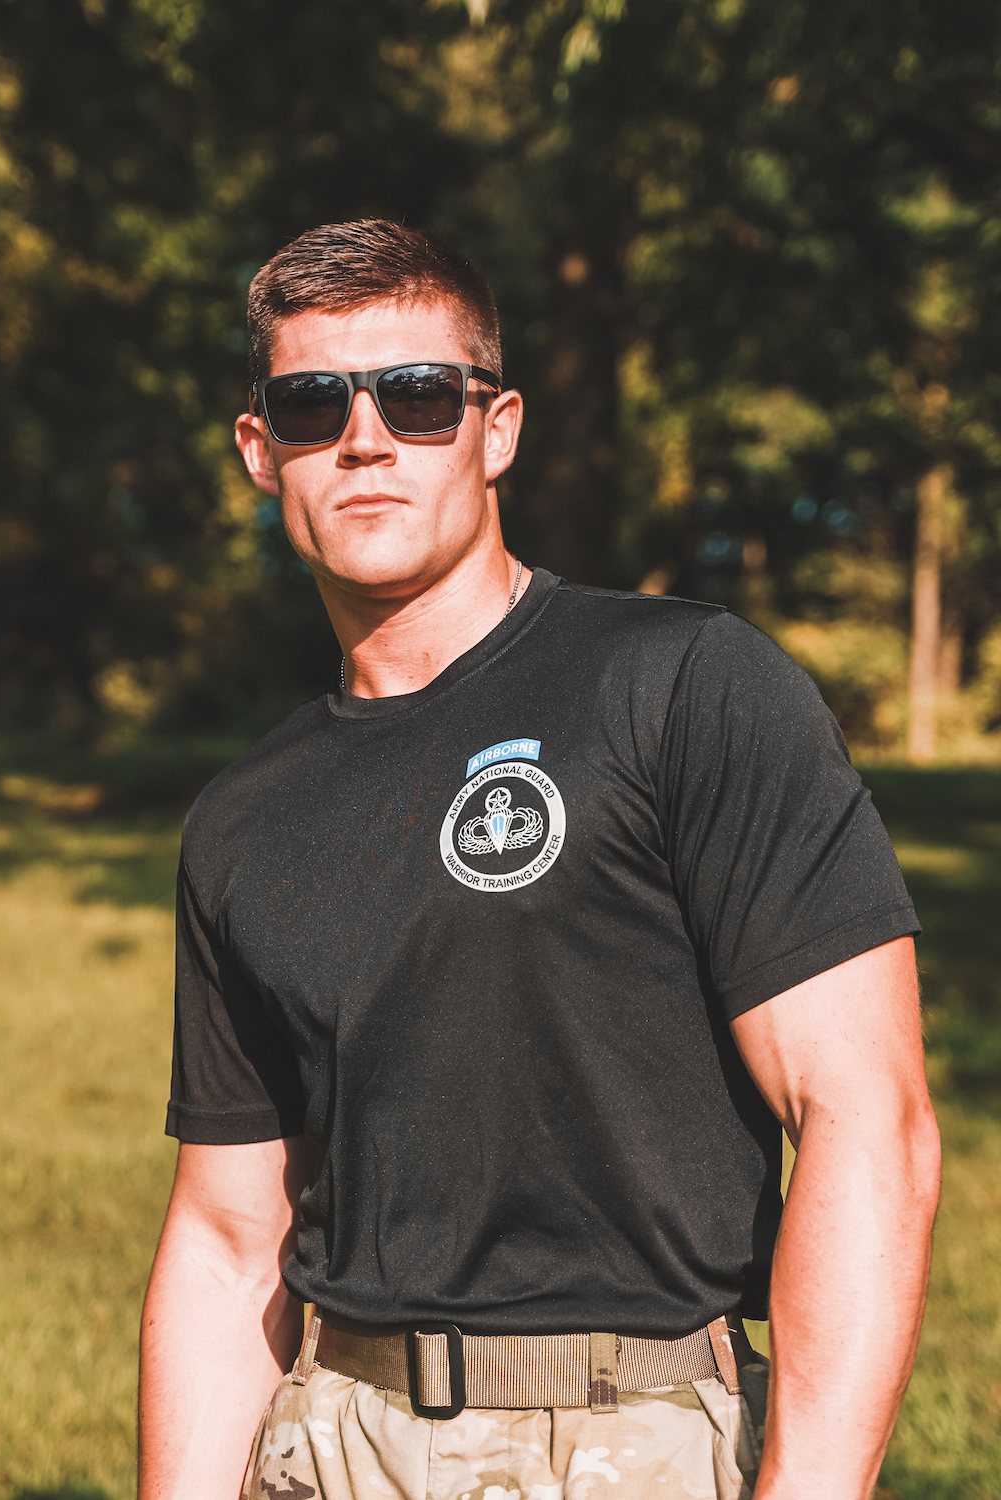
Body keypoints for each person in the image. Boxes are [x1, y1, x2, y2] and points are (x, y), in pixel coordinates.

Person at [137, 219, 941, 1500]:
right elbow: (227, 1240)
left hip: (628, 1438)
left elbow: (865, 1119)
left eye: (416, 396)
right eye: (312, 404)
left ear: (496, 428)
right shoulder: (242, 818)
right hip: (329, 1443)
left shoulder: (682, 684)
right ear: (259, 450)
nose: (364, 439)